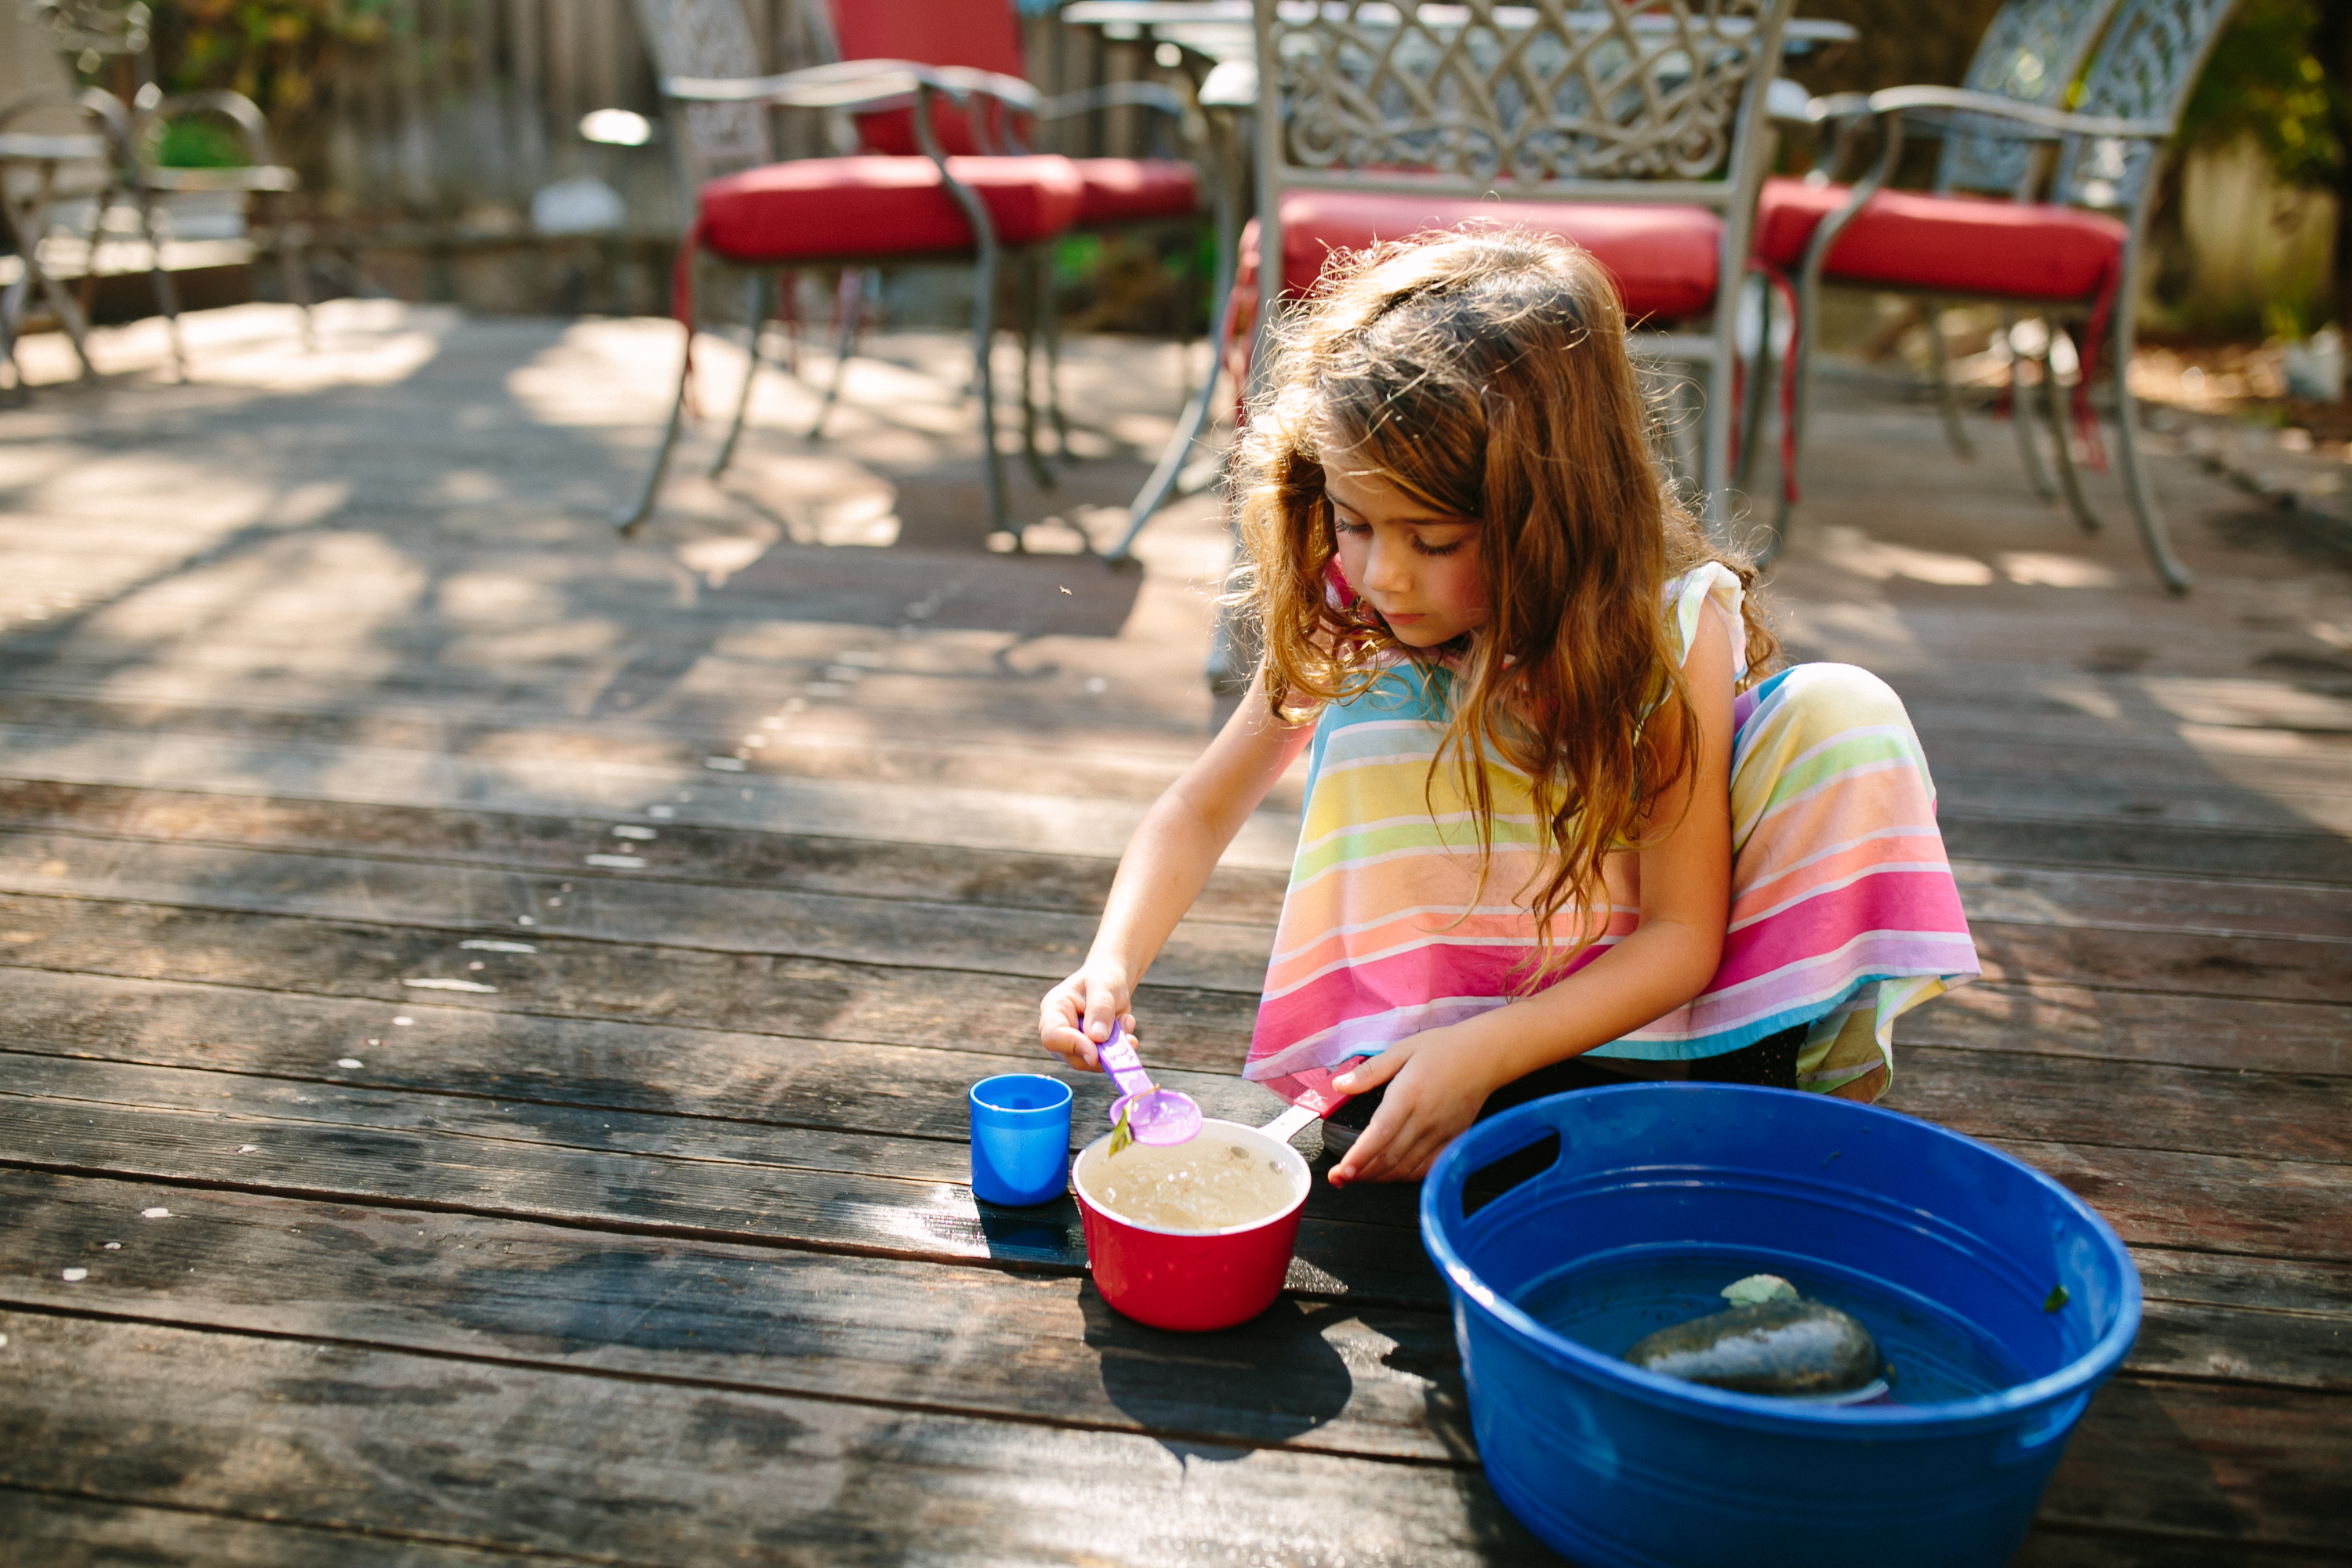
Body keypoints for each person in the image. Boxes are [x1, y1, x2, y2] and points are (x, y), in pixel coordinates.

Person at [1037, 228, 1979, 1185]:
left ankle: (1766, 1101)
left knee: (1842, 710)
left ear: (1551, 514)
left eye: (1434, 539)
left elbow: (1680, 936)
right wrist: (1109, 962)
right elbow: (1201, 808)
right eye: (1357, 522)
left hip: (1657, 1037)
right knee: (1380, 699)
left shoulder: (1664, 623)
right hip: (1434, 1052)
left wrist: (1492, 1049)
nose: (1382, 572)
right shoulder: (1353, 605)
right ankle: (1413, 1053)